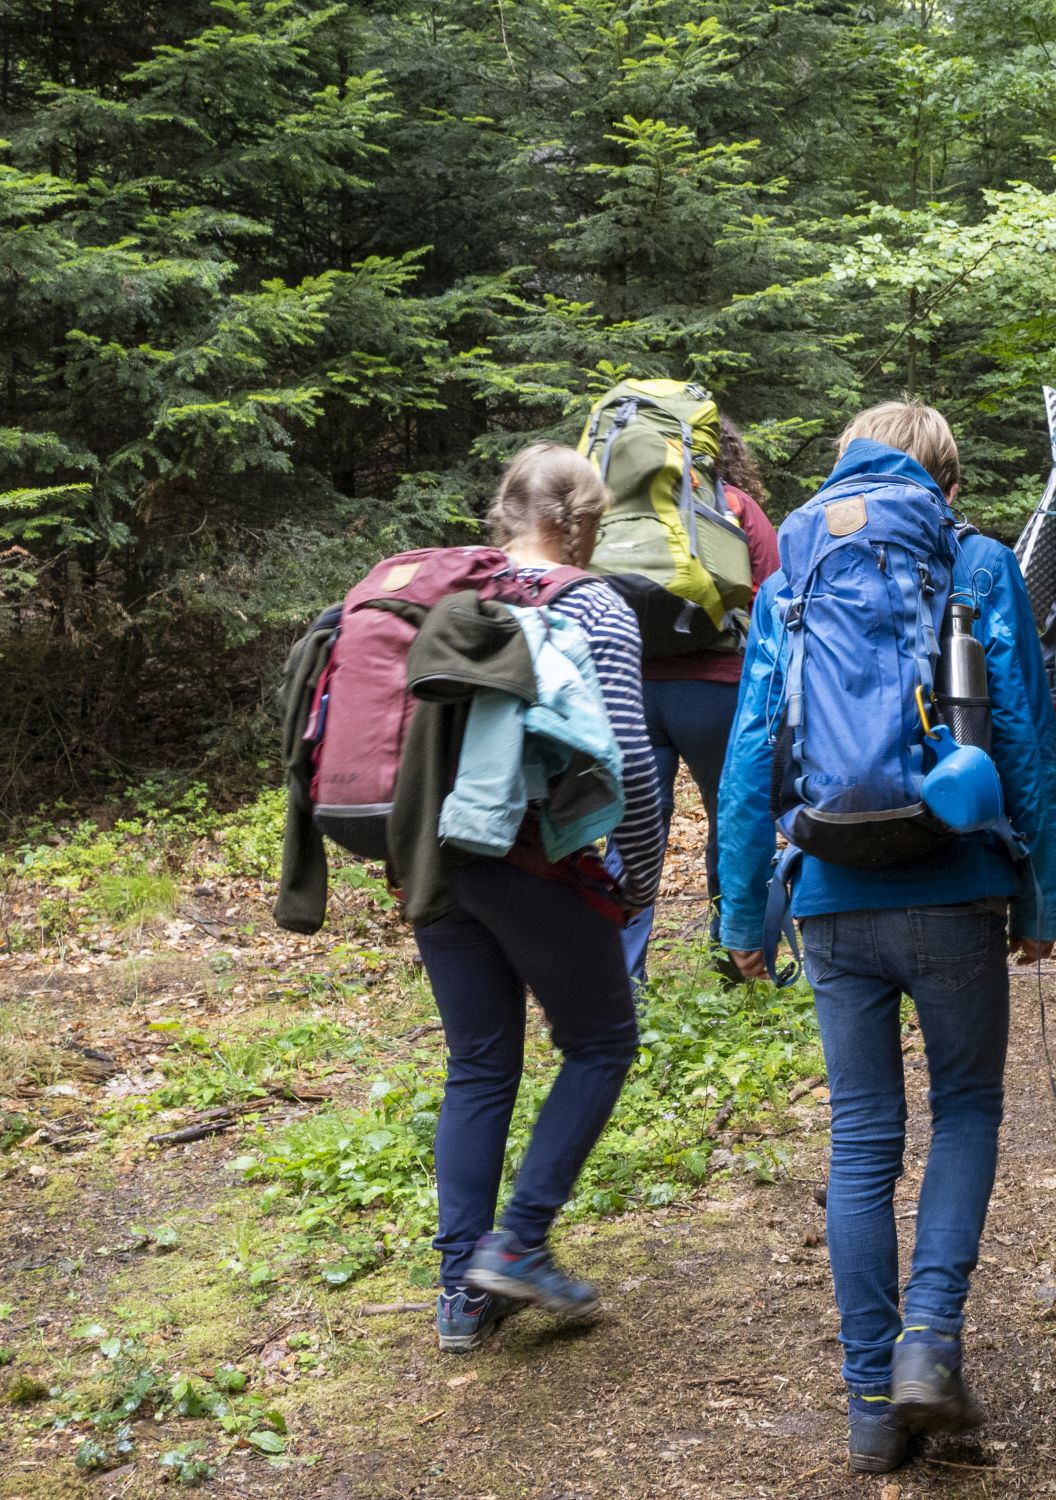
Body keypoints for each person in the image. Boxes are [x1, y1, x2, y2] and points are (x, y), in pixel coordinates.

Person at [716, 402, 1056, 1474]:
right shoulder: (974, 564)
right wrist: (1040, 898)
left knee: (863, 1136)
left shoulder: (794, 577)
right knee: (963, 1110)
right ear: (945, 482)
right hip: (955, 883)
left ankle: (872, 1403)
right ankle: (928, 1342)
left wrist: (742, 915)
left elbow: (749, 755)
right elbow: (1020, 737)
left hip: (828, 885)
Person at [421, 444, 665, 1351]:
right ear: (576, 521)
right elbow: (632, 762)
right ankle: (517, 1243)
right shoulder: (592, 602)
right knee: (602, 1043)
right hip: (530, 860)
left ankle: (460, 1292)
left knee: (480, 1064)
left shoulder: (458, 594)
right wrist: (639, 880)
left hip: (437, 861)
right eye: (596, 523)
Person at [618, 413, 780, 980]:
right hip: (715, 688)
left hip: (634, 690)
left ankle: (621, 976)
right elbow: (773, 594)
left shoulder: (619, 512)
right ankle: (733, 957)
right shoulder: (733, 506)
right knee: (730, 818)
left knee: (634, 830)